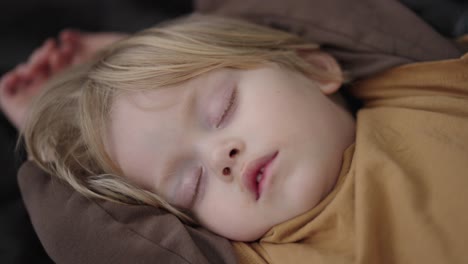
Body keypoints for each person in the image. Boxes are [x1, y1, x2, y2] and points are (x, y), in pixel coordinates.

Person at [6, 14, 468, 263]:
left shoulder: (422, 86)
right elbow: (85, 232)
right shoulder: (257, 257)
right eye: (192, 184)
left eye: (221, 109)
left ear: (314, 66)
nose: (219, 157)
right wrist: (51, 135)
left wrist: (125, 50)